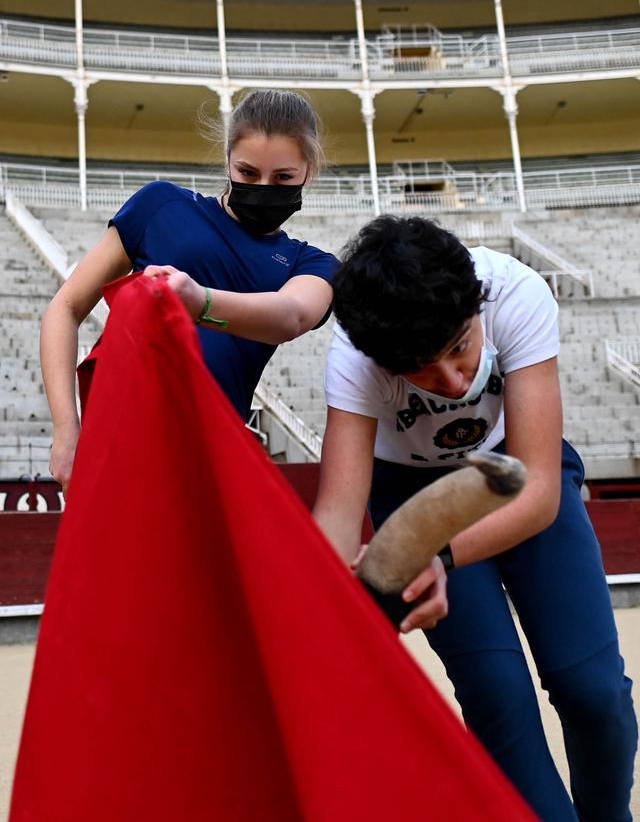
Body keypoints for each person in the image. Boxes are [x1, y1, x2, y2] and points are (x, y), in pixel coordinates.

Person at [312, 215, 637, 822]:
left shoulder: (513, 290)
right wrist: (332, 606)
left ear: (476, 305)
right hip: (414, 495)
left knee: (593, 691)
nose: (455, 380)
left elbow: (538, 492)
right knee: (496, 696)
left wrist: (437, 557)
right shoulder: (355, 356)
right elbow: (336, 513)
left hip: (516, 466)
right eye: (422, 370)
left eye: (460, 347)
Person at [41, 89, 340, 496]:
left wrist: (201, 302)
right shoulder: (161, 206)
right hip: (117, 445)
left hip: (211, 467)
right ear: (228, 160)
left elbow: (291, 316)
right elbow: (66, 307)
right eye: (248, 173)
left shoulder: (313, 263)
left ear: (310, 170)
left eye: (283, 177)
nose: (264, 187)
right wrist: (65, 430)